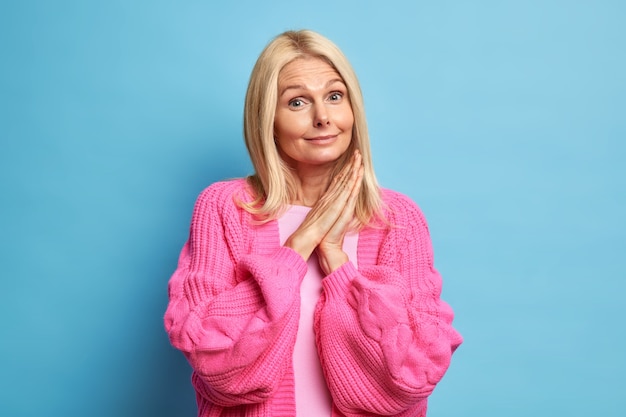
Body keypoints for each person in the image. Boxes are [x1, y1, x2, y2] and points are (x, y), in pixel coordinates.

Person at [164, 29, 462, 417]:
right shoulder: (225, 208)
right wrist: (298, 246)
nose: (322, 117)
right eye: (298, 102)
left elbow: (413, 375)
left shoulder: (397, 220)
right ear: (267, 118)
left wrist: (337, 262)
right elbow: (217, 363)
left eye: (335, 96)